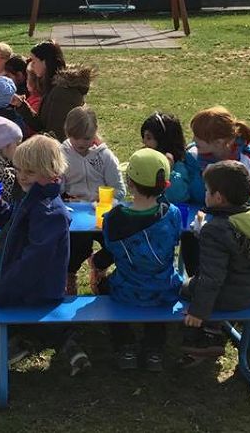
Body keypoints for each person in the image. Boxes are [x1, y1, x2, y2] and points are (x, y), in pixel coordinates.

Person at [0, 134, 90, 376]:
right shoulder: (34, 198)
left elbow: (35, 262)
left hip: (38, 288)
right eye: (19, 169)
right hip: (23, 278)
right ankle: (44, 337)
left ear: (51, 172)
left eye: (30, 172)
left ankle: (21, 337)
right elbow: (12, 224)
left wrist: (6, 287)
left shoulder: (50, 211)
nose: (22, 176)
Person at [89, 148, 183, 372]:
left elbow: (111, 252)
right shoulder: (174, 214)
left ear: (130, 183)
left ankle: (125, 346)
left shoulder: (114, 219)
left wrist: (96, 264)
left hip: (126, 290)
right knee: (159, 301)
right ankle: (154, 351)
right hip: (164, 288)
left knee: (106, 289)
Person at [180, 160, 250, 358]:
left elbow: (212, 278)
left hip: (229, 295)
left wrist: (198, 312)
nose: (205, 194)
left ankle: (207, 335)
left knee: (184, 287)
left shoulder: (216, 229)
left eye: (207, 190)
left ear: (218, 198)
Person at [180, 106, 250, 275]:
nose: (193, 140)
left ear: (218, 143)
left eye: (199, 138)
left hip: (239, 225)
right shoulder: (194, 155)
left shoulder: (248, 161)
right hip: (204, 216)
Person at [61, 106, 125, 295]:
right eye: (76, 138)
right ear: (68, 133)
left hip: (102, 213)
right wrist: (65, 196)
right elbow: (58, 186)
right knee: (75, 249)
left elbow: (119, 189)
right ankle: (69, 275)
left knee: (117, 244)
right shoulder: (62, 154)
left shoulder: (104, 157)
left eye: (87, 138)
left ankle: (98, 264)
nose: (82, 143)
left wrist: (107, 200)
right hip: (75, 213)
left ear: (95, 133)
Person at [13, 40, 94, 141]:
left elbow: (56, 135)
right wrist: (21, 105)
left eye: (34, 62)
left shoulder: (62, 93)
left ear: (45, 62)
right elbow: (42, 125)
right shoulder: (53, 88)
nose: (32, 67)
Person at [140, 112, 197, 208]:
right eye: (144, 137)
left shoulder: (180, 166)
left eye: (149, 138)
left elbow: (178, 198)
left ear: (163, 139)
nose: (144, 141)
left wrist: (168, 172)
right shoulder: (149, 159)